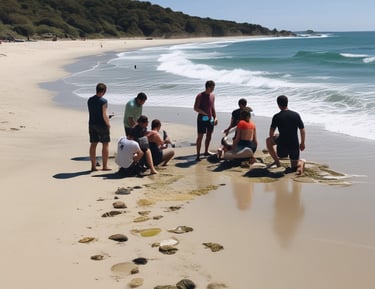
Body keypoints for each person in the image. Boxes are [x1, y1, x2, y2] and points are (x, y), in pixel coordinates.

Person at [266, 95, 306, 174]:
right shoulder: (296, 115)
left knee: (268, 141)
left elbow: (271, 132)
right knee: (294, 168)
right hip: (294, 146)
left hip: (282, 148)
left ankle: (277, 162)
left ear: (278, 104)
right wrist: (302, 143)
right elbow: (302, 130)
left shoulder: (277, 116)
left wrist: (273, 139)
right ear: (287, 103)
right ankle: (301, 163)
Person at [87, 83, 111, 172]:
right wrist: (108, 124)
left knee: (93, 144)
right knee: (105, 144)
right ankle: (104, 166)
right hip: (101, 124)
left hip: (92, 124)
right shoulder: (103, 101)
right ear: (104, 91)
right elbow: (104, 114)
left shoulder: (90, 100)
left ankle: (93, 166)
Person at [193, 80, 218, 161]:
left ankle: (206, 151)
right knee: (200, 137)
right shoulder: (200, 96)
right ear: (208, 87)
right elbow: (195, 108)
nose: (213, 89)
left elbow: (212, 107)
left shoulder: (212, 96)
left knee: (209, 135)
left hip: (210, 119)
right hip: (202, 119)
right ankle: (197, 155)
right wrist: (204, 113)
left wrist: (215, 117)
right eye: (212, 88)